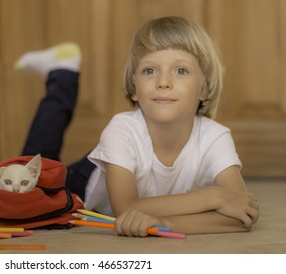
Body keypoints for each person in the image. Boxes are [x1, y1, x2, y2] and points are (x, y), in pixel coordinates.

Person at [15, 16, 259, 237]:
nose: (163, 82)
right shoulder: (121, 127)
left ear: (205, 89)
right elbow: (126, 208)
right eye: (149, 70)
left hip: (126, 160)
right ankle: (62, 72)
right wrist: (214, 197)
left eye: (181, 70)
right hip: (83, 180)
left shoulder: (215, 137)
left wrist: (162, 222)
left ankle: (64, 71)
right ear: (133, 88)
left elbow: (241, 213)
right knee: (32, 175)